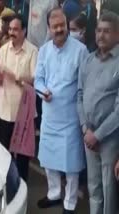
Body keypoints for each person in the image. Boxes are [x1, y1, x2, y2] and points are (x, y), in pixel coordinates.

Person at [34, 8, 87, 214]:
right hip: (50, 116)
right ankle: (54, 193)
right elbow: (38, 79)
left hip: (71, 118)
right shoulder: (44, 50)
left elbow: (84, 85)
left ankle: (70, 203)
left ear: (66, 24)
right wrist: (42, 91)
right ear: (48, 27)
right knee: (48, 159)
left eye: (62, 25)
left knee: (71, 165)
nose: (59, 30)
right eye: (54, 26)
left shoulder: (80, 50)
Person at [77, 11, 119, 214]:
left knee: (109, 190)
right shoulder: (88, 60)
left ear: (117, 35)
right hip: (89, 135)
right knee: (94, 188)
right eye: (99, 31)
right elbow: (79, 95)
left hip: (109, 139)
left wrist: (98, 135)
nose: (101, 35)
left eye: (107, 32)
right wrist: (85, 128)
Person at [0, 14, 38, 182]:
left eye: (16, 29)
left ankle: (23, 186)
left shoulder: (33, 51)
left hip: (24, 113)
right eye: (10, 29)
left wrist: (16, 78)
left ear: (24, 31)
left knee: (23, 156)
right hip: (4, 109)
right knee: (5, 152)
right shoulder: (3, 50)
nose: (12, 32)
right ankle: (8, 184)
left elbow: (35, 80)